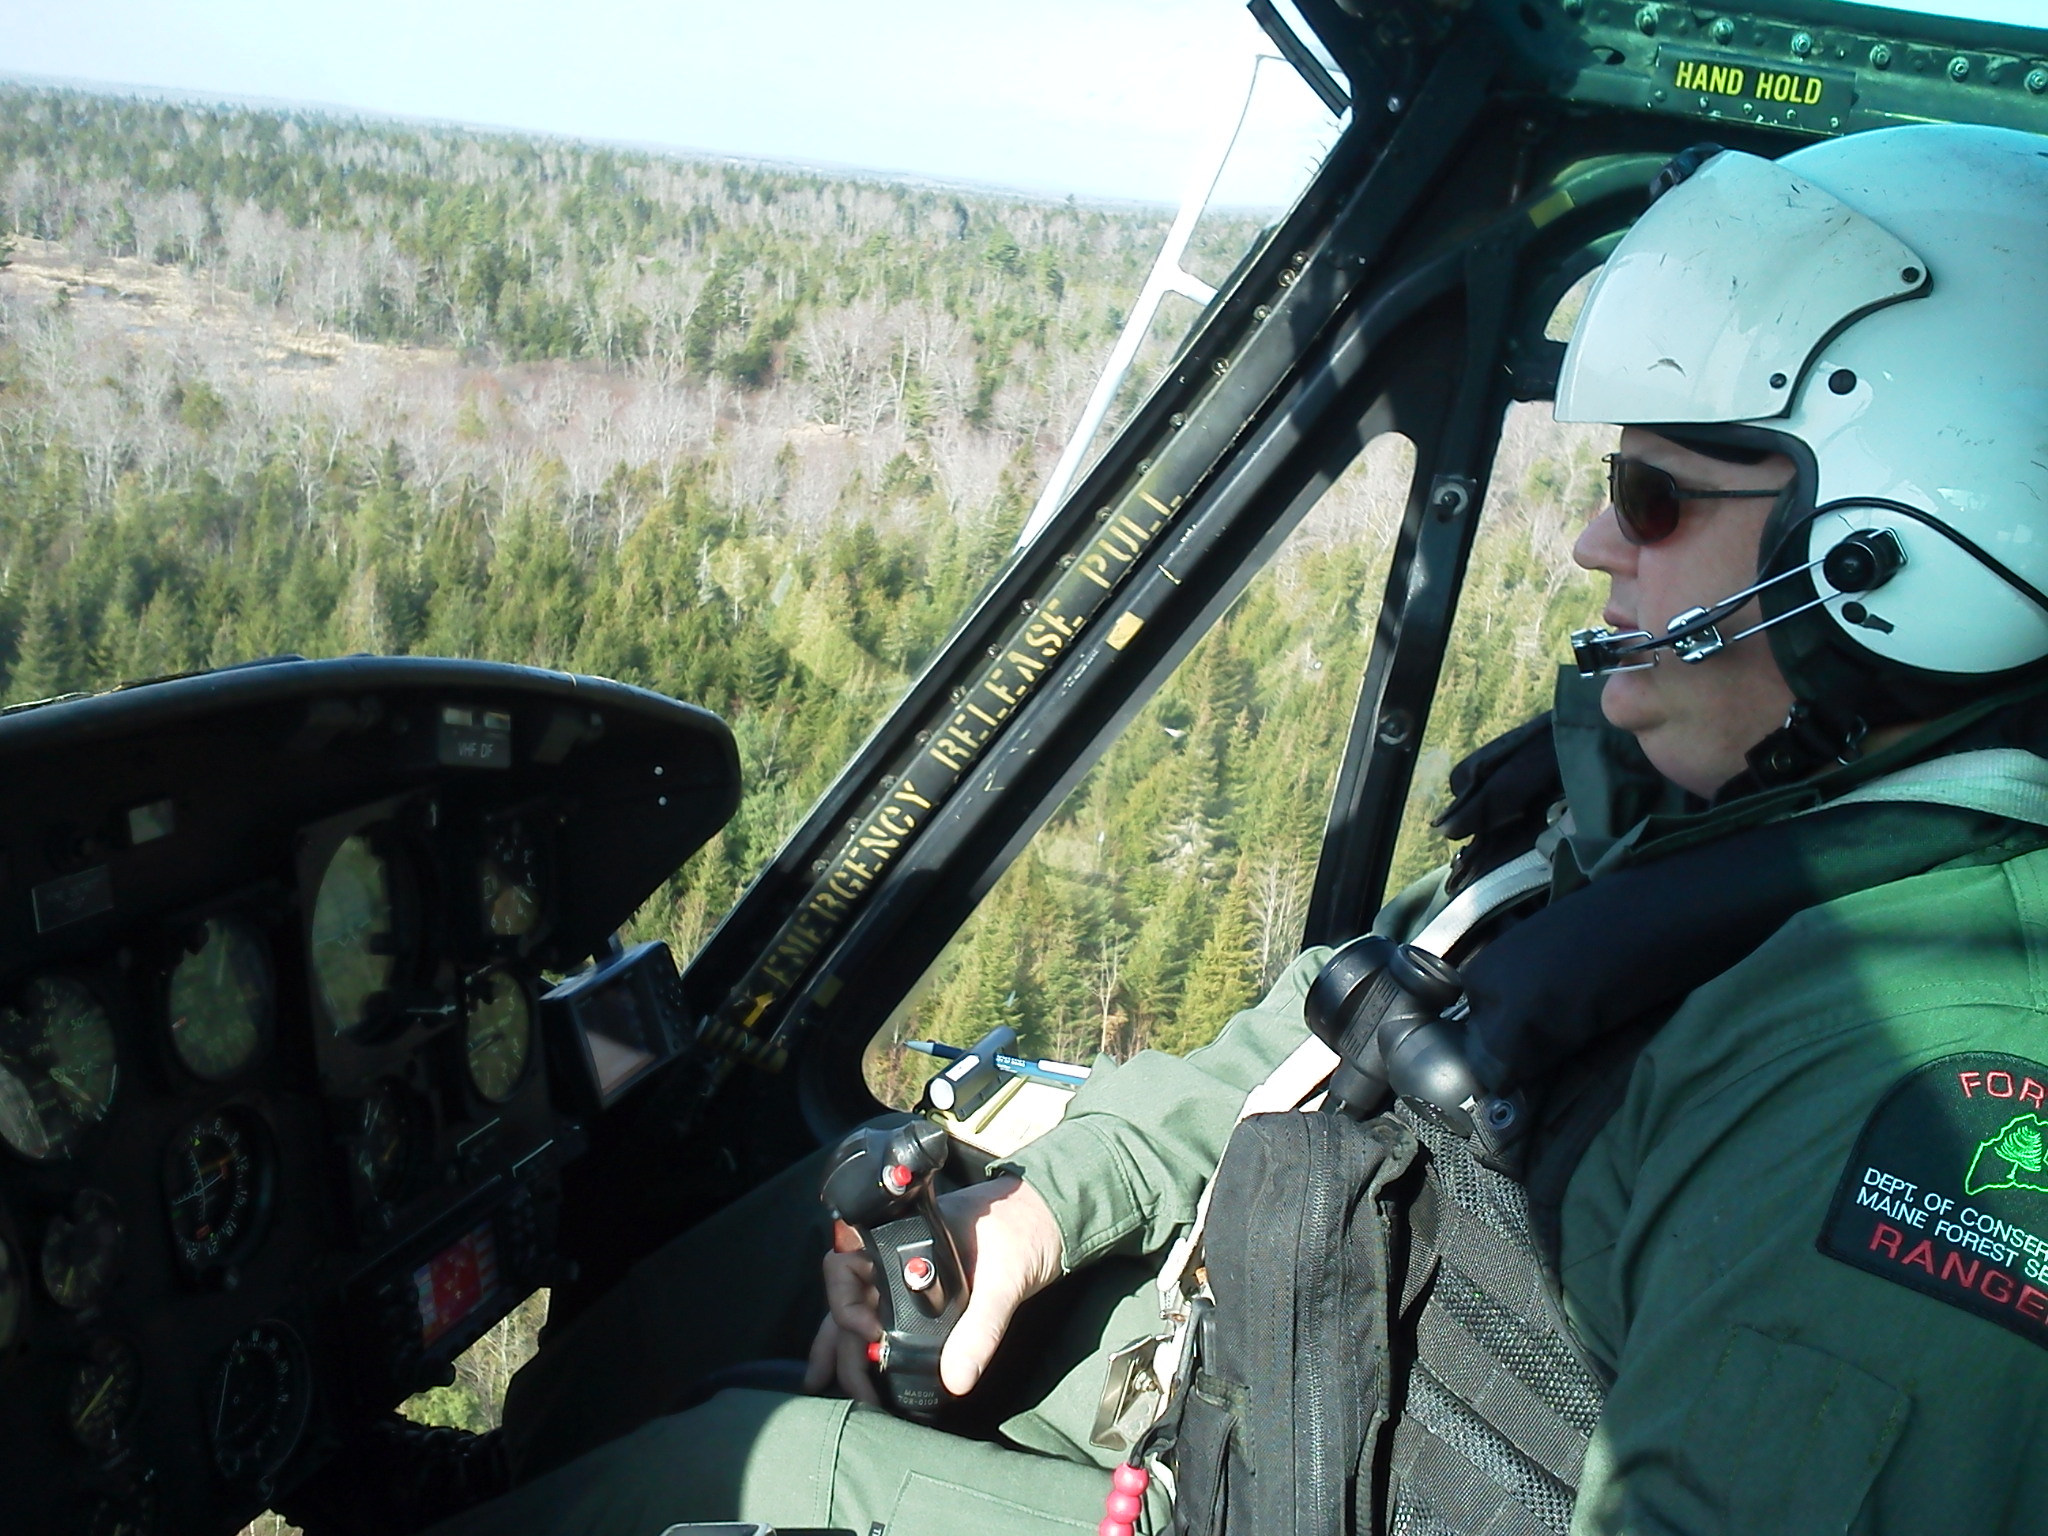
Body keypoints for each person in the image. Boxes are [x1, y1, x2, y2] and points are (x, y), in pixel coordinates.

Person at [416, 122, 2048, 1536]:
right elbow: (1313, 1040)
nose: (1589, 546)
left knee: (726, 1472)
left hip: (1282, 1472)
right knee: (740, 1292)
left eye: (1652, 498)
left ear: (1892, 552)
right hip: (1265, 1373)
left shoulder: (1924, 1080)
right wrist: (1044, 1209)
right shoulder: (1655, 831)